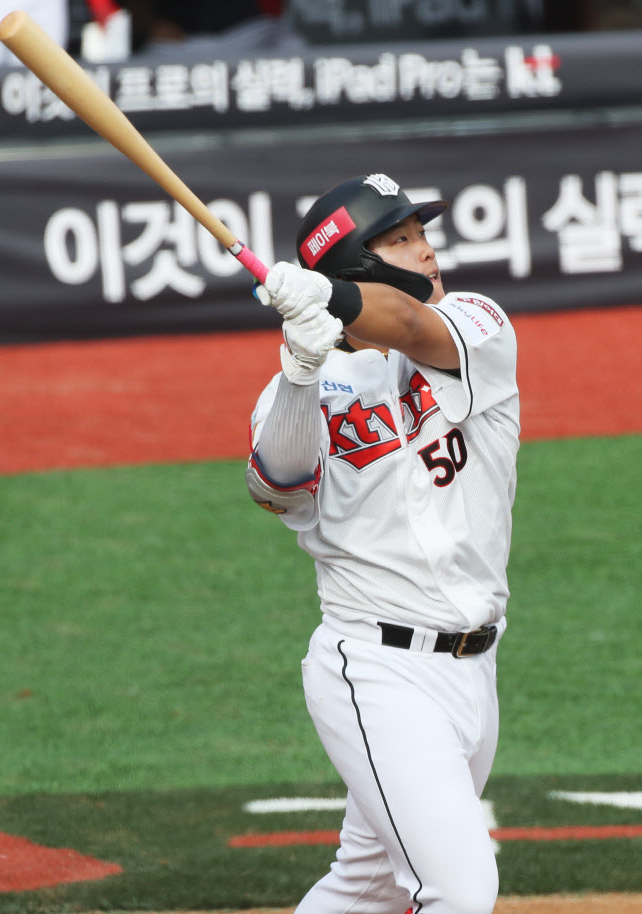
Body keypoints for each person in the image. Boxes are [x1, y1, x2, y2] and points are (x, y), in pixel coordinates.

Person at [246, 172, 520, 914]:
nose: (427, 251)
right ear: (357, 263)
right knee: (460, 892)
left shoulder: (475, 324)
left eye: (422, 234)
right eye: (400, 240)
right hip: (375, 669)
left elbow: (407, 325)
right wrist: (300, 372)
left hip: (476, 669)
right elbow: (277, 490)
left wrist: (329, 296)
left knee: (365, 888)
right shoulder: (294, 391)